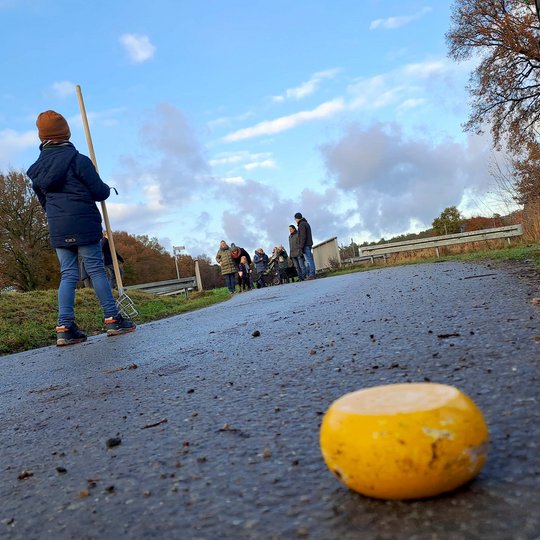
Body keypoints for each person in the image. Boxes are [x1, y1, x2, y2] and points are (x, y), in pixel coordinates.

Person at [26, 110, 136, 346]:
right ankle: (112, 319)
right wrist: (106, 187)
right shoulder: (79, 160)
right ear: (66, 132)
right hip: (84, 222)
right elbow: (99, 192)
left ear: (41, 137)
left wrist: (58, 217)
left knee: (68, 274)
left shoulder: (37, 169)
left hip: (58, 226)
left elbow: (43, 202)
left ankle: (65, 327)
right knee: (96, 270)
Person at [295, 212, 316, 279]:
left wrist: (301, 246)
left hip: (305, 245)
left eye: (295, 219)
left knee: (309, 260)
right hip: (308, 244)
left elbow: (303, 236)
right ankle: (311, 274)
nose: (295, 220)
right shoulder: (305, 223)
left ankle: (312, 274)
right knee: (309, 260)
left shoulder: (301, 224)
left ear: (297, 218)